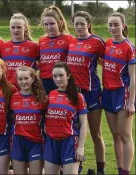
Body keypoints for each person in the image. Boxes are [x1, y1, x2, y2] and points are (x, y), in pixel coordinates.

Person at [66, 11, 107, 175]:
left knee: (96, 133)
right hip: (73, 94)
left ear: (88, 24)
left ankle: (100, 171)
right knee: (73, 132)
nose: (79, 26)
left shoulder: (97, 42)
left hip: (92, 92)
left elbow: (107, 63)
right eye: (76, 23)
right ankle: (76, 169)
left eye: (82, 23)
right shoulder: (71, 42)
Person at [102, 12, 135, 175]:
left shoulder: (129, 47)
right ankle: (119, 168)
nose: (113, 27)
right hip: (107, 92)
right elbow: (104, 62)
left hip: (123, 94)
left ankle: (126, 172)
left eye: (116, 24)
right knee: (115, 135)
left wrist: (131, 102)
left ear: (123, 25)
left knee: (125, 135)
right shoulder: (107, 43)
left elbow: (134, 76)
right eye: (110, 25)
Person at [43, 62, 88, 174]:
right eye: (54, 76)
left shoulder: (78, 97)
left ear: (68, 75)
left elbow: (84, 124)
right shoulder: (51, 94)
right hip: (51, 142)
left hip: (70, 143)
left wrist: (81, 147)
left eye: (61, 75)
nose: (57, 79)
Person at [10, 66, 48, 175]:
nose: (23, 82)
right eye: (20, 79)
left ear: (33, 79)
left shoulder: (42, 98)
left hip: (36, 142)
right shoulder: (13, 98)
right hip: (18, 142)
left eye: (26, 78)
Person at [38, 6, 75, 94]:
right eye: (46, 24)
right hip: (44, 82)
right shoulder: (41, 40)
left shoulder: (69, 39)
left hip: (61, 81)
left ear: (60, 23)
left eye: (52, 23)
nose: (49, 27)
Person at [0, 13, 39, 88]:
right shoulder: (3, 46)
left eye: (19, 27)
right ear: (9, 28)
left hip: (28, 89)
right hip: (8, 88)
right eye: (13, 27)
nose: (16, 30)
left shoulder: (34, 46)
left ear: (25, 28)